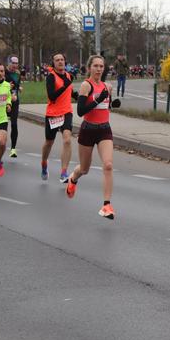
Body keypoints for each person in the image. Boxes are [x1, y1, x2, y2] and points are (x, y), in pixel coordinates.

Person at [65, 55, 121, 220]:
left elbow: (107, 105)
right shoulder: (85, 86)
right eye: (95, 66)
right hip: (88, 130)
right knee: (84, 169)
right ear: (89, 68)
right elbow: (81, 111)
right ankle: (73, 179)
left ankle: (106, 205)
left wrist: (113, 104)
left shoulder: (107, 87)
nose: (98, 69)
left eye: (101, 66)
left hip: (104, 129)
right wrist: (98, 100)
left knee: (108, 165)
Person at [41, 52, 78, 182]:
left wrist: (80, 98)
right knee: (49, 142)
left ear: (65, 61)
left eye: (62, 59)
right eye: (57, 60)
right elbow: (52, 96)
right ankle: (44, 162)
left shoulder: (68, 76)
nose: (60, 62)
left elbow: (70, 91)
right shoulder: (51, 77)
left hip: (66, 112)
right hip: (53, 114)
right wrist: (65, 85)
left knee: (67, 140)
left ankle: (64, 172)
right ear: (53, 63)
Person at [5, 55, 22, 157]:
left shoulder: (17, 74)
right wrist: (9, 93)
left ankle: (13, 149)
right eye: (13, 63)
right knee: (2, 125)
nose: (15, 65)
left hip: (15, 101)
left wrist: (18, 87)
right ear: (8, 63)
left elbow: (15, 85)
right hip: (4, 102)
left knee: (14, 124)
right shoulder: (3, 73)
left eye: (16, 63)